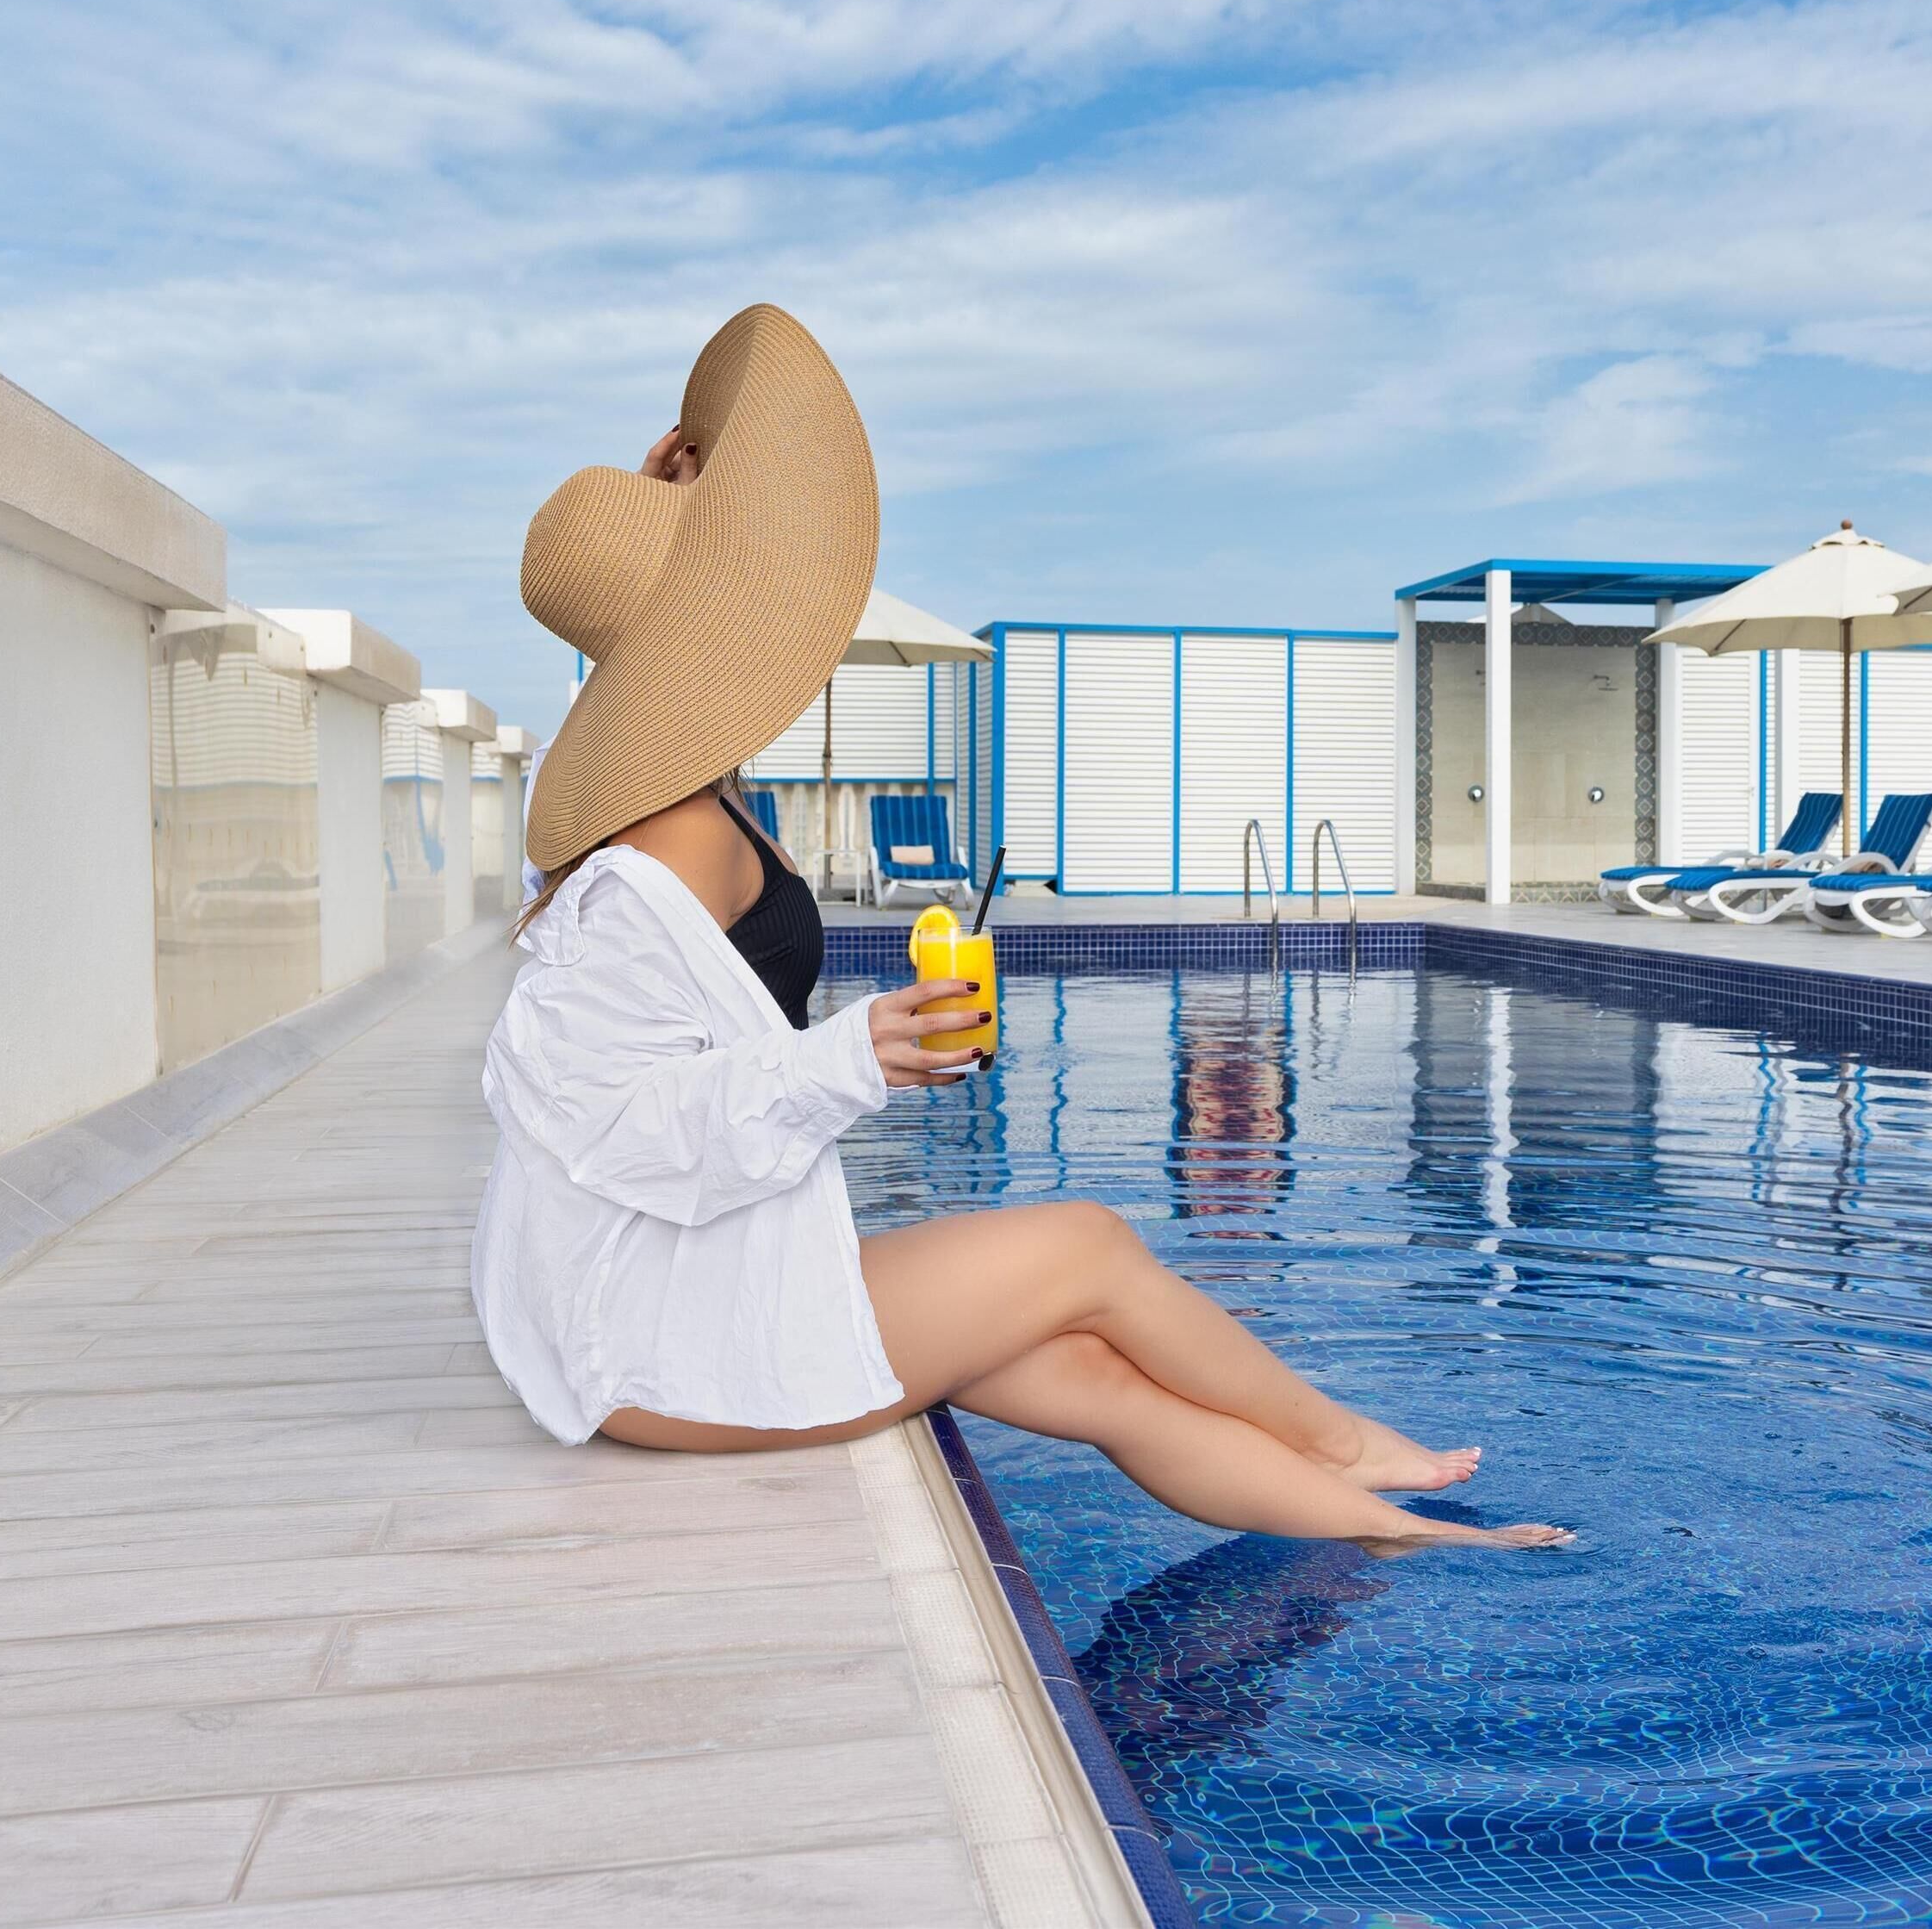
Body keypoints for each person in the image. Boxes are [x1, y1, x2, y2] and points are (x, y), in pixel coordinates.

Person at [473, 304, 1568, 1553]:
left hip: (688, 1296)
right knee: (1092, 1246)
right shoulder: (663, 843)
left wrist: (863, 1048)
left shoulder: (693, 794)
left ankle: (1398, 1530)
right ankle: (1340, 1439)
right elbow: (603, 1122)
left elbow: (693, 1046)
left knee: (1092, 1369)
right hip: (663, 1342)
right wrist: (855, 1054)